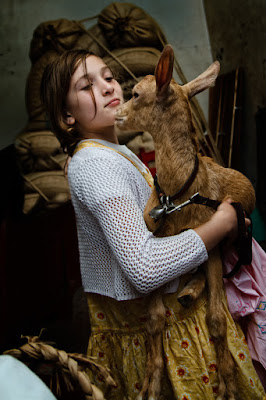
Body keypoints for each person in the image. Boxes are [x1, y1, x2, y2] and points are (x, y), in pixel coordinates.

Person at [41, 49, 265, 399]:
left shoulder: (116, 154)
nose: (106, 88)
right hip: (157, 334)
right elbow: (143, 267)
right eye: (87, 86)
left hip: (176, 321)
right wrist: (219, 226)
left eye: (109, 77)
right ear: (66, 116)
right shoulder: (96, 166)